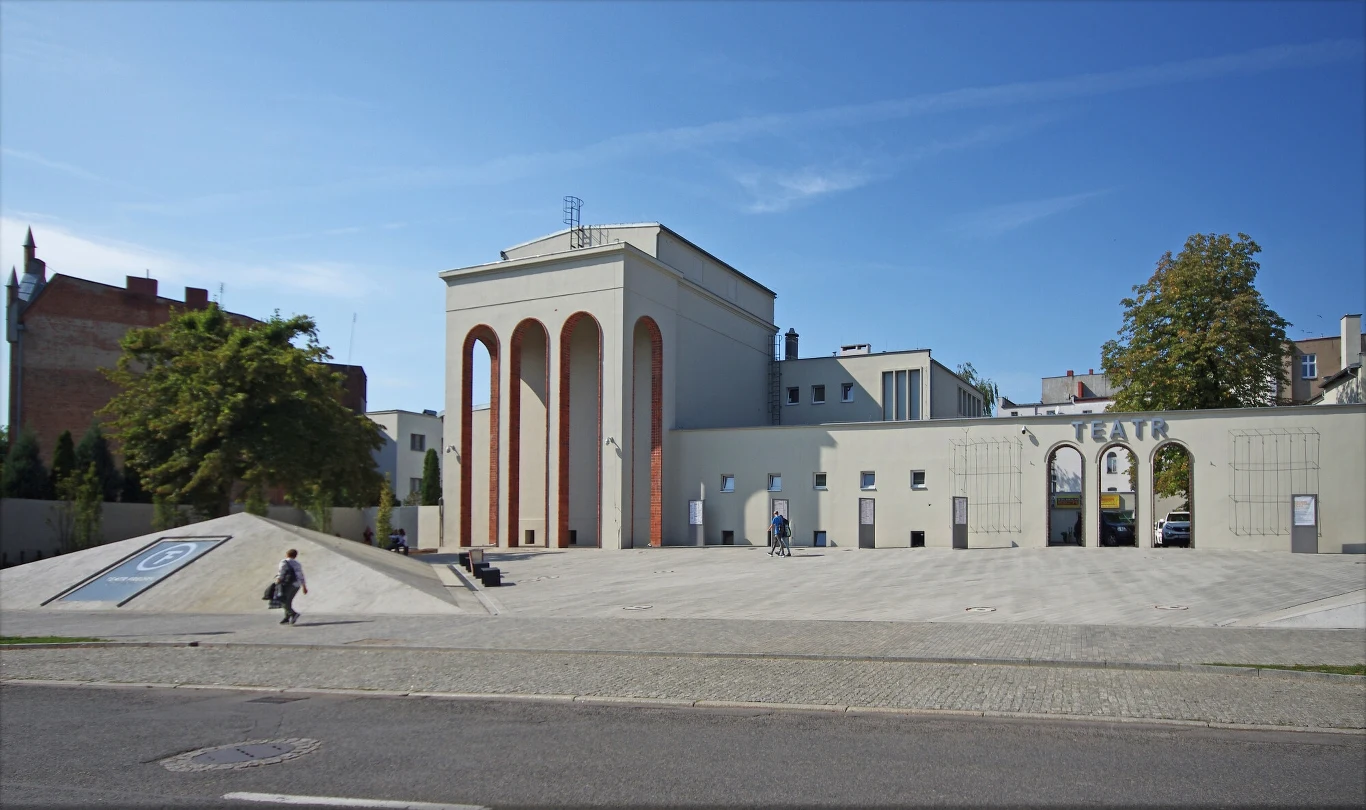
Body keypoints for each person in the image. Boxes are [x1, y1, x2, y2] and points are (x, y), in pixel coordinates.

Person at [275, 548, 308, 625]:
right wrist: (304, 587)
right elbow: (301, 575)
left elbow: (281, 572)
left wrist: (278, 580)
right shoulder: (298, 564)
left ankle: (293, 613)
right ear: (295, 556)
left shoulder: (284, 562)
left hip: (288, 584)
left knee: (283, 600)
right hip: (297, 585)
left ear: (287, 554)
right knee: (288, 601)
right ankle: (287, 617)